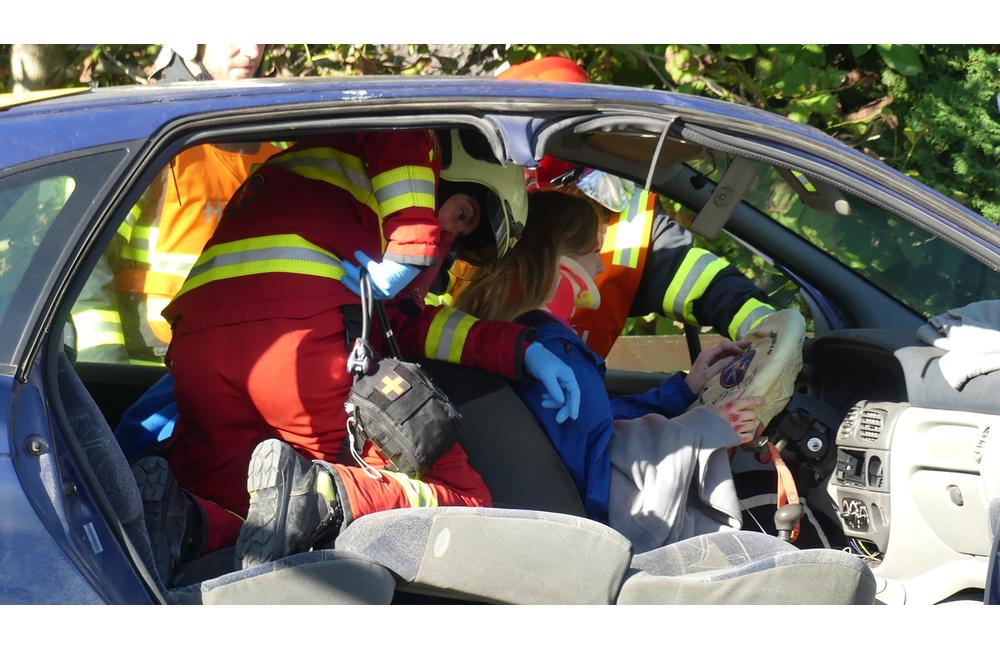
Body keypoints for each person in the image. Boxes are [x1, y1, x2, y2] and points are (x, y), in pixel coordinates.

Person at [141, 127, 582, 579]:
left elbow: (403, 322)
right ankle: (322, 494)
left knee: (240, 501)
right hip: (300, 347)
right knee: (463, 496)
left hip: (199, 353)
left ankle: (186, 520)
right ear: (445, 170)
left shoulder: (314, 177)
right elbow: (401, 123)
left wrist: (520, 349)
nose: (447, 236)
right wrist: (411, 243)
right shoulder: (406, 143)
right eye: (462, 213)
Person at [455, 191, 764, 552]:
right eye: (595, 254)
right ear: (561, 264)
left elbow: (592, 425)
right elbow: (597, 468)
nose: (602, 269)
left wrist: (686, 389)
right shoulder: (555, 352)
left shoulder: (506, 343)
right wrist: (709, 428)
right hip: (588, 539)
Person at [496, 56, 779, 358]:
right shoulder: (473, 226)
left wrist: (769, 332)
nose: (583, 200)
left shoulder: (631, 229)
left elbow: (709, 286)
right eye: (568, 186)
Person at [71, 44, 278, 363]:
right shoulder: (156, 142)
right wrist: (105, 364)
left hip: (252, 359)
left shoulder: (278, 151)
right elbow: (84, 258)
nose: (251, 51)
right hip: (156, 364)